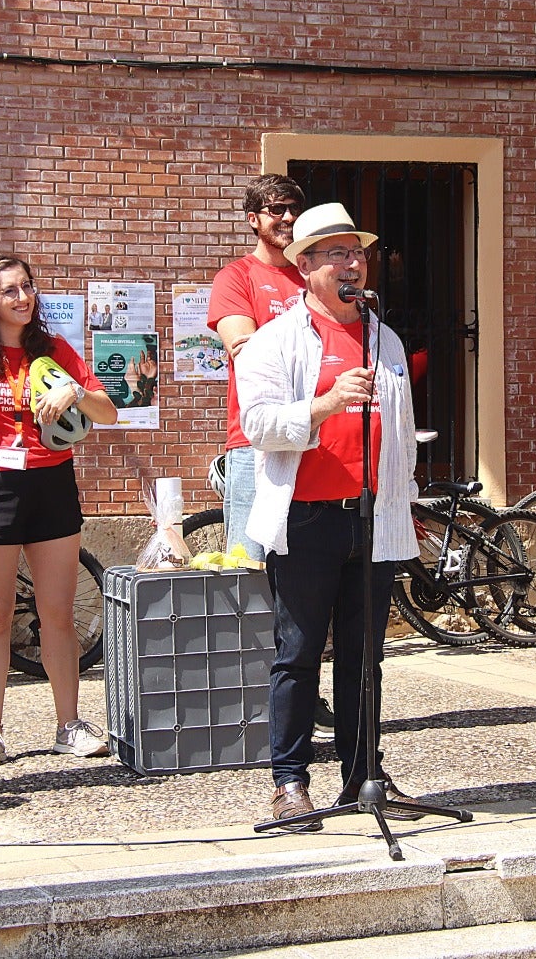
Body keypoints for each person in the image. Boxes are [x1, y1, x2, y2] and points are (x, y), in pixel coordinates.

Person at [236, 203, 422, 829]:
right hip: (306, 518)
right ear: (307, 266)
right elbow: (256, 425)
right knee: (298, 652)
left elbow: (397, 432)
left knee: (365, 654)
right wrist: (322, 406)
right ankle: (289, 781)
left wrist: (404, 506)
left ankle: (363, 772)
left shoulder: (384, 337)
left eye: (358, 252)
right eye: (337, 252)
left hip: (371, 515)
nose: (353, 262)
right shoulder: (274, 340)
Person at [0, 254, 119, 769]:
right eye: (8, 291)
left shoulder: (55, 350)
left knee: (56, 613)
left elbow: (108, 411)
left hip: (49, 480)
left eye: (27, 287)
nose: (21, 298)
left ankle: (69, 724)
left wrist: (76, 391)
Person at [207, 175, 307, 560]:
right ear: (253, 219)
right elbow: (243, 350)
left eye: (295, 209)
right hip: (254, 440)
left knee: (307, 568)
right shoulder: (235, 277)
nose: (288, 218)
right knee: (249, 567)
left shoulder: (313, 277)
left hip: (313, 437)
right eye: (276, 209)